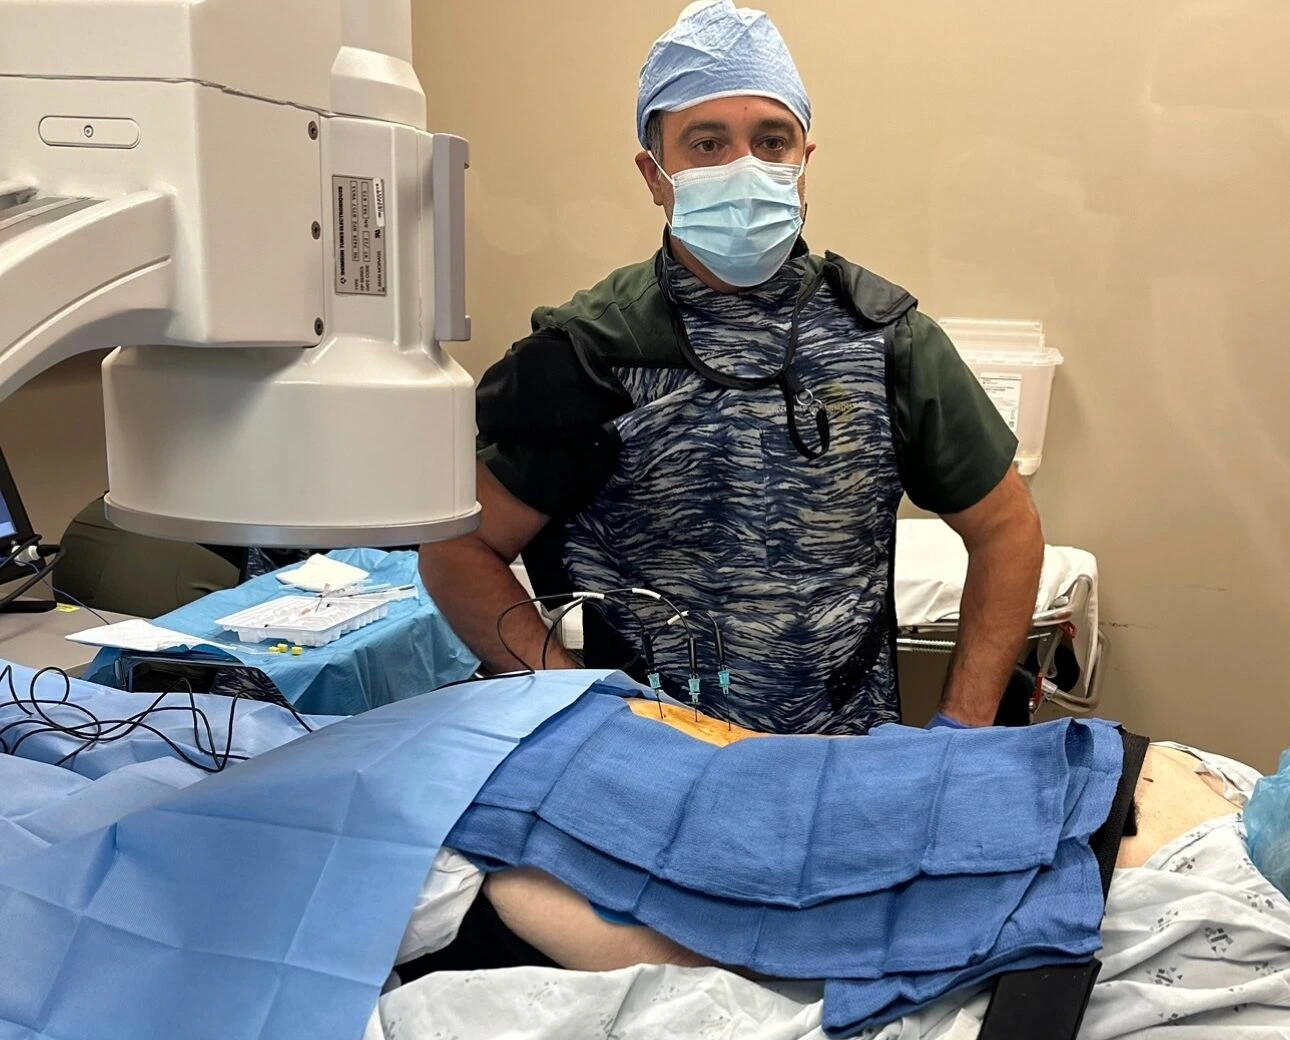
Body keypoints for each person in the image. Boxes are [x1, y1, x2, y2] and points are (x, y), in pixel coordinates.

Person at [421, 0, 1044, 736]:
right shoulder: (593, 353)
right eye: (707, 143)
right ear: (655, 176)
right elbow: (458, 549)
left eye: (771, 140)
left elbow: (1007, 528)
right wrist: (572, 704)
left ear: (804, 162)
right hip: (646, 765)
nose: (745, 167)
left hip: (837, 763)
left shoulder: (886, 341)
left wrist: (963, 728)